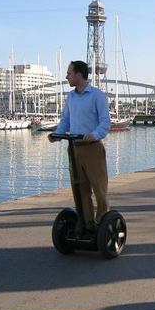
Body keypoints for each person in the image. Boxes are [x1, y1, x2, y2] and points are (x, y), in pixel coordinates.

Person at [49, 60, 111, 235]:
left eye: (69, 73)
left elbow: (105, 123)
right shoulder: (71, 97)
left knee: (99, 191)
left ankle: (102, 226)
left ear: (79, 75)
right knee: (80, 190)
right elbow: (66, 121)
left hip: (92, 148)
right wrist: (56, 134)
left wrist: (95, 134)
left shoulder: (96, 95)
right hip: (74, 148)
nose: (67, 76)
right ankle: (87, 224)